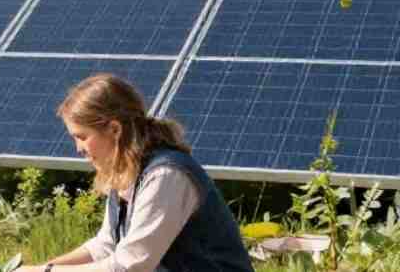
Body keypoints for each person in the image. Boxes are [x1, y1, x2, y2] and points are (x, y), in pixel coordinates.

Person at [15, 74, 253, 272]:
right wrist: (42, 267)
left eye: (82, 137)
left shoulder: (166, 176)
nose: (79, 149)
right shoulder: (126, 173)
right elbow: (105, 246)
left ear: (115, 129)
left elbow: (131, 265)